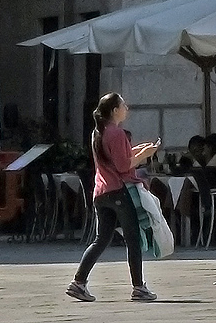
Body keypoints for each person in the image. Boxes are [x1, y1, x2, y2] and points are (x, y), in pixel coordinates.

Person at [66, 93, 160, 303]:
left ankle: (78, 282)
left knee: (101, 239)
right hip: (119, 189)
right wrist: (145, 155)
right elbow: (123, 165)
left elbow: (117, 157)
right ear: (115, 110)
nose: (127, 108)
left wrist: (142, 150)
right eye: (123, 105)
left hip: (102, 192)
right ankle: (138, 287)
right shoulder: (116, 133)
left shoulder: (99, 132)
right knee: (133, 238)